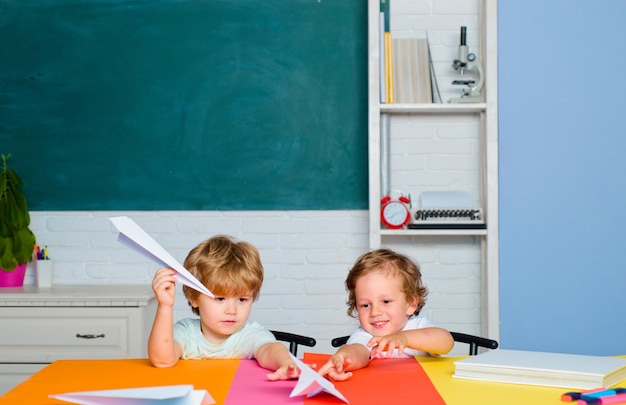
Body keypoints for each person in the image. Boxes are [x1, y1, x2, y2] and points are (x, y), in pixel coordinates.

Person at [148, 235, 299, 380]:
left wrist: (286, 362)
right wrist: (165, 306)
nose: (232, 311)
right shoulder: (186, 333)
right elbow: (163, 361)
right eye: (220, 299)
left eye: (242, 299)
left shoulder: (250, 334)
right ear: (194, 298)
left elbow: (270, 350)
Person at [318, 248, 454, 381]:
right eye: (365, 305)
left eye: (386, 301)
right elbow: (356, 351)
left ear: (411, 303)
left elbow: (446, 342)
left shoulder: (418, 326)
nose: (375, 312)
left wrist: (405, 338)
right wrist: (343, 357)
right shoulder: (366, 336)